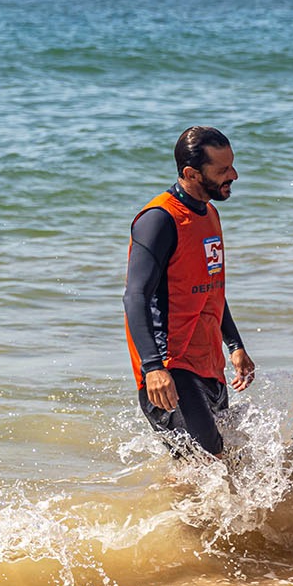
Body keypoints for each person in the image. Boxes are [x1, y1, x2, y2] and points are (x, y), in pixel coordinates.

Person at [123, 126, 256, 458]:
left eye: (232, 166)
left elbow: (211, 289)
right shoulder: (158, 220)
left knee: (207, 467)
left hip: (208, 364)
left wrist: (235, 345)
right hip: (171, 368)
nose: (234, 175)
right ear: (191, 173)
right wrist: (153, 367)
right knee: (213, 461)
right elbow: (135, 295)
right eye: (223, 170)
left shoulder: (209, 213)